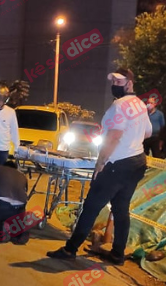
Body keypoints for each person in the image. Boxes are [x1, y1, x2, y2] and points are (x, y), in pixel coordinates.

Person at [47, 68, 152, 266]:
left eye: (119, 82)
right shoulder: (139, 104)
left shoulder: (119, 106)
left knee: (91, 206)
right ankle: (117, 254)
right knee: (121, 209)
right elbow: (147, 133)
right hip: (137, 162)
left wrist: (101, 162)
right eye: (113, 81)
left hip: (116, 164)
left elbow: (113, 136)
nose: (114, 85)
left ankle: (70, 249)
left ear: (130, 83)